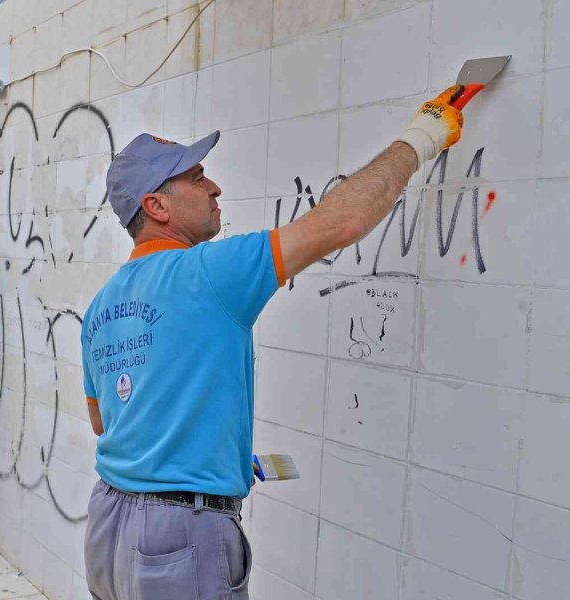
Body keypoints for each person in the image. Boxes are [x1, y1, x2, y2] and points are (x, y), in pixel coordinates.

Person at [81, 87, 465, 598]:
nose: (214, 186)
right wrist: (422, 136)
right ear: (156, 205)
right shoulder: (210, 272)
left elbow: (108, 422)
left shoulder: (100, 307)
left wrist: (206, 452)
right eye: (196, 178)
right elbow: (343, 222)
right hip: (180, 541)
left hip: (108, 529)